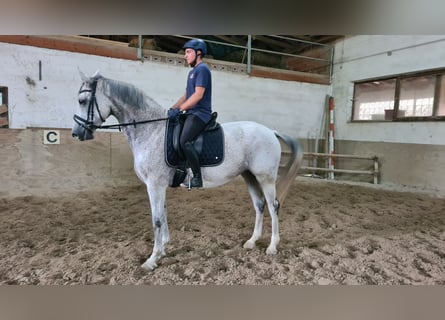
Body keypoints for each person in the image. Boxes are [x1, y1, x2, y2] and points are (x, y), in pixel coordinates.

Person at [169, 38, 212, 188]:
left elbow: (198, 95)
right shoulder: (192, 72)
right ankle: (180, 170)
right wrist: (173, 108)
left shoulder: (202, 70)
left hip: (200, 114)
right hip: (191, 113)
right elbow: (187, 95)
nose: (185, 55)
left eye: (188, 52)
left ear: (198, 53)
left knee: (184, 141)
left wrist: (180, 110)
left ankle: (197, 177)